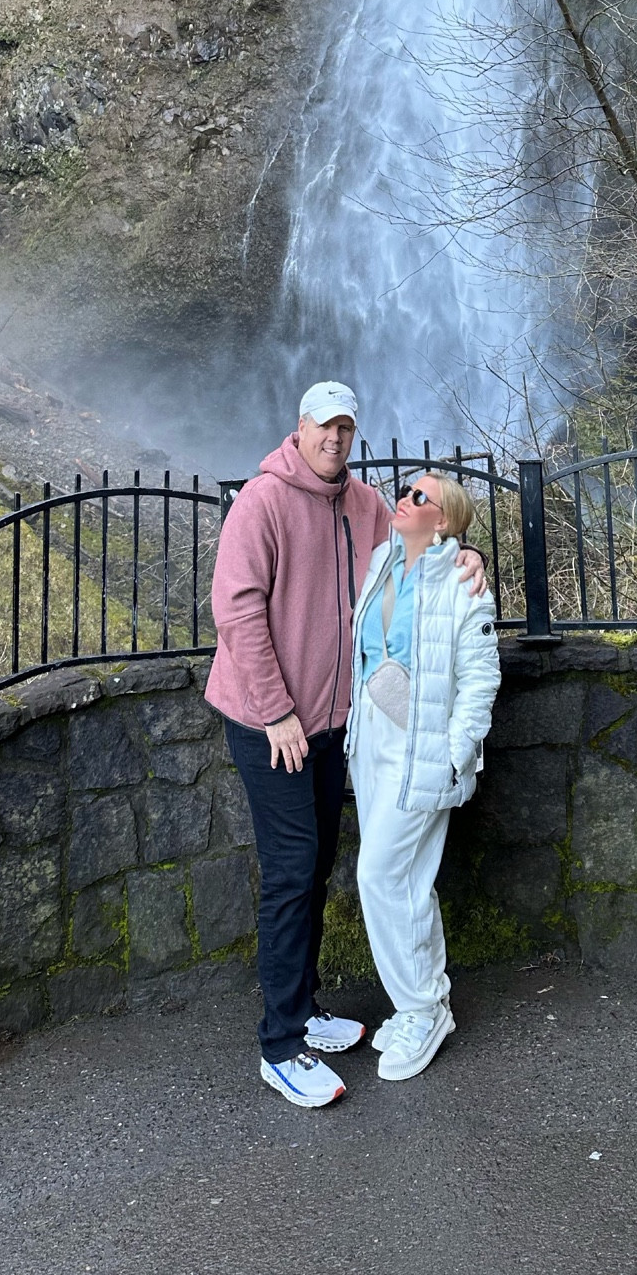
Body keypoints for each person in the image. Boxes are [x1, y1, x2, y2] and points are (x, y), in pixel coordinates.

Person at [206, 382, 486, 1109]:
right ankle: (280, 1043)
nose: (335, 438)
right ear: (299, 428)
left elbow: (421, 545)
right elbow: (235, 611)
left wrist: (470, 553)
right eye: (324, 426)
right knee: (294, 872)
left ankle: (305, 1007)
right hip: (271, 725)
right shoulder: (261, 503)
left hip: (334, 728)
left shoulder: (363, 506)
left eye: (346, 427)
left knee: (320, 865)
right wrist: (274, 713)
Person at [348, 469, 501, 1082]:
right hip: (373, 741)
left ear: (443, 520)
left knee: (379, 873)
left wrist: (453, 750)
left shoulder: (465, 585)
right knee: (407, 881)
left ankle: (419, 1010)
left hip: (423, 746)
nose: (403, 499)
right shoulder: (383, 559)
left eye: (419, 497)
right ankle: (428, 1002)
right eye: (404, 490)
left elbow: (481, 680)